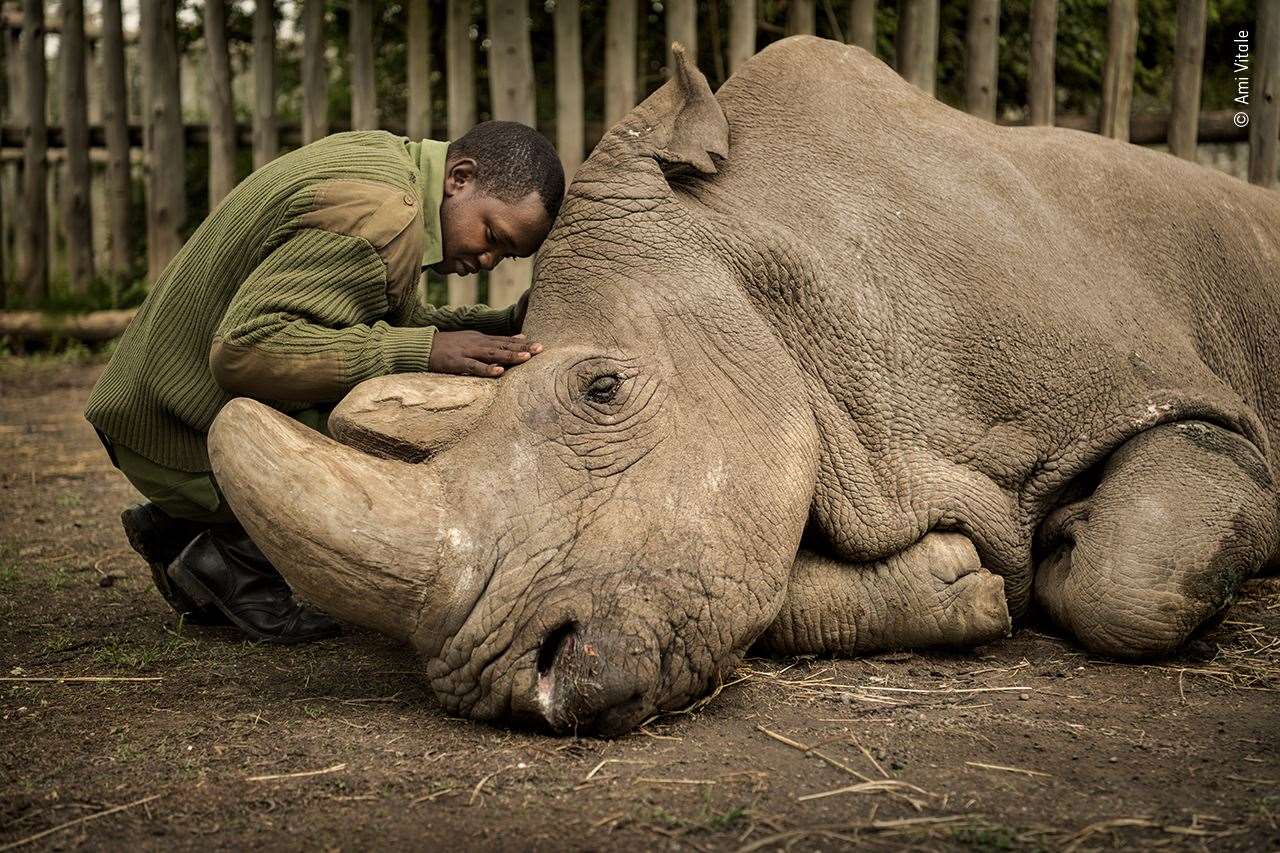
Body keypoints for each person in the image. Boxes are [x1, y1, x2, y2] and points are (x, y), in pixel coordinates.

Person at [84, 121, 565, 644]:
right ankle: (224, 554)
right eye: (493, 236)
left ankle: (180, 527)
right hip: (171, 433)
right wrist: (421, 352)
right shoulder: (382, 216)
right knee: (393, 428)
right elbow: (244, 351)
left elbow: (377, 319)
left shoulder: (390, 167)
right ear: (460, 178)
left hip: (149, 406)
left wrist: (500, 327)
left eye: (507, 255)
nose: (488, 260)